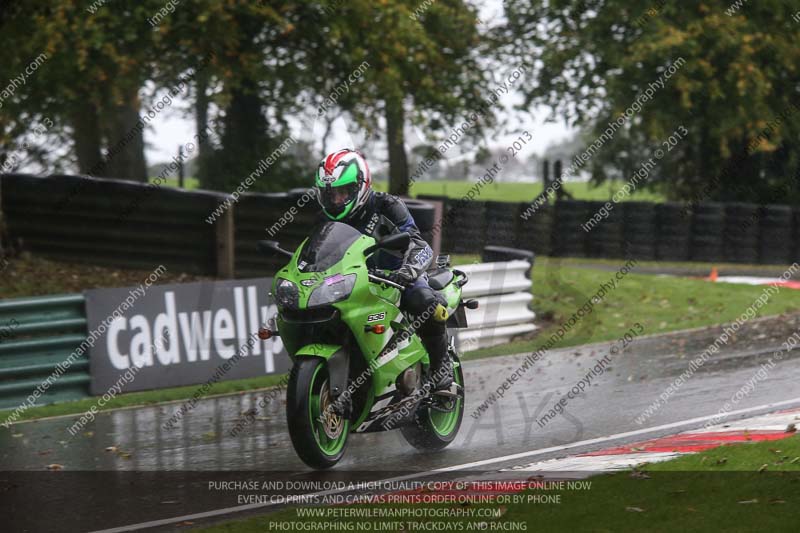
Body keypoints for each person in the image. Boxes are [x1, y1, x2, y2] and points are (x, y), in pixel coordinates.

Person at [314, 148, 453, 390]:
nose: (336, 200)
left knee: (423, 300)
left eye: (342, 193)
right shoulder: (325, 219)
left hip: (395, 278)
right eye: (330, 194)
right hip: (351, 282)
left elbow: (419, 244)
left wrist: (407, 271)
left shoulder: (387, 205)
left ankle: (442, 364)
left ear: (361, 185)